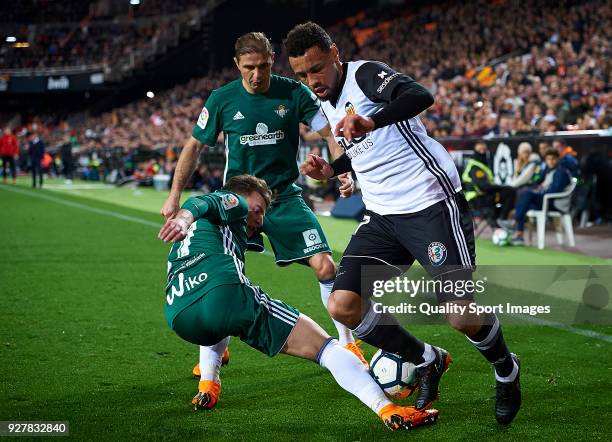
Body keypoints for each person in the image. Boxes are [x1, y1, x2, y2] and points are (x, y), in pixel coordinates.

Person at [285, 22, 520, 425]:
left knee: (461, 316)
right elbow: (362, 150)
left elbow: (418, 95)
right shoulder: (324, 99)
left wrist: (372, 122)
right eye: (303, 74)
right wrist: (332, 168)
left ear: (335, 54)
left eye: (318, 68)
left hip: (431, 205)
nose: (313, 80)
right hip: (382, 215)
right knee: (343, 306)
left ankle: (506, 369)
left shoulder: (364, 74)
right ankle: (427, 360)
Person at [159, 32, 364, 408]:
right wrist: (174, 194)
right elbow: (193, 145)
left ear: (273, 60)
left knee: (325, 266)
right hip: (236, 202)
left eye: (264, 66)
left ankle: (350, 344)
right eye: (249, 68)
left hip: (284, 197)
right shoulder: (222, 99)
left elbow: (329, 130)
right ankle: (210, 377)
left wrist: (341, 169)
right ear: (237, 65)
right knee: (222, 281)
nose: (257, 75)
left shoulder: (294, 92)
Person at [158, 174, 439, 431]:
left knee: (220, 313)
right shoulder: (232, 202)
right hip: (223, 296)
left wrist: (186, 222)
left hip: (178, 313)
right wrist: (182, 218)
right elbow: (201, 201)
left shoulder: (203, 232)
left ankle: (209, 382)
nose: (259, 219)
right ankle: (388, 409)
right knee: (326, 349)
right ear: (240, 197)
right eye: (258, 209)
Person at [511, 149, 572, 245]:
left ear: (558, 159)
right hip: (545, 201)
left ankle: (514, 223)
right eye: (548, 159)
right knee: (524, 198)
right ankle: (519, 235)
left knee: (527, 195)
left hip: (555, 203)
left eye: (553, 159)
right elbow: (537, 183)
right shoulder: (547, 170)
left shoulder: (561, 172)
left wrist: (538, 192)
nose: (551, 161)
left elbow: (554, 192)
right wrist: (535, 189)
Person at [462, 141, 516, 228]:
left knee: (506, 194)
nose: (482, 152)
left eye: (484, 150)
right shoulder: (475, 166)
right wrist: (501, 187)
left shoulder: (480, 164)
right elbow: (484, 187)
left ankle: (495, 220)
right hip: (476, 199)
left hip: (479, 197)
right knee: (509, 191)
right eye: (480, 150)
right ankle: (502, 219)